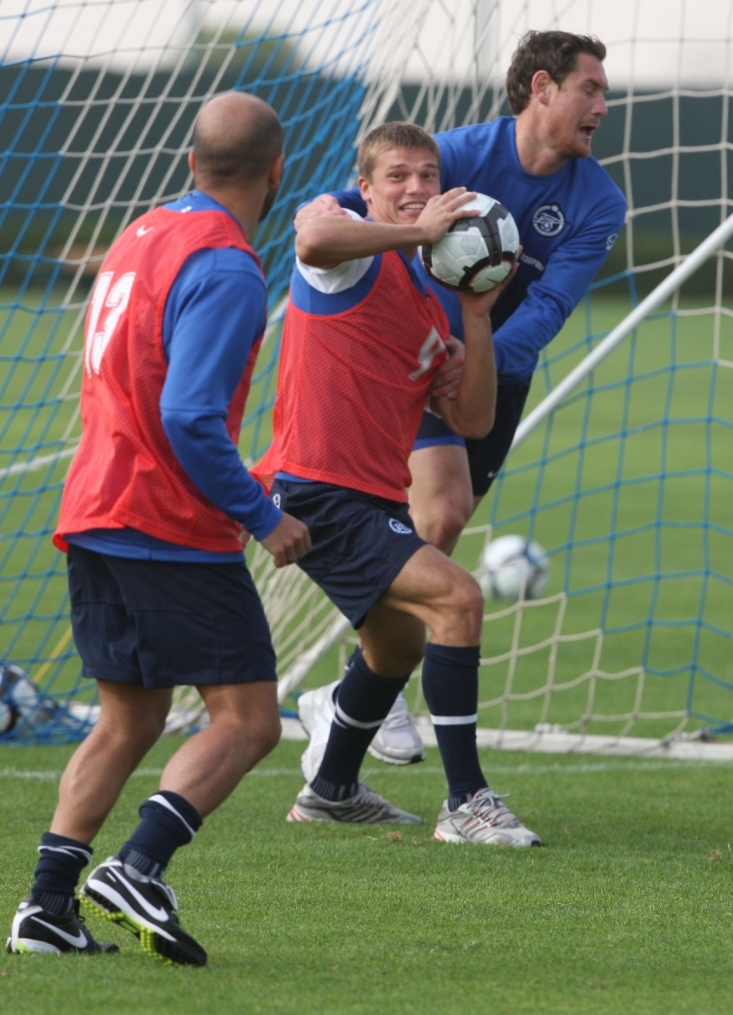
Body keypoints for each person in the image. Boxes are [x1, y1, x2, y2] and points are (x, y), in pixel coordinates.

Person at [6, 92, 310, 966]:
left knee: (127, 720)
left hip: (94, 509)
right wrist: (262, 515)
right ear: (277, 172)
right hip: (166, 523)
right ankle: (139, 866)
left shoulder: (138, 235)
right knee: (250, 721)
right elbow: (186, 415)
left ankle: (45, 907)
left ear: (188, 161)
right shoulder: (227, 264)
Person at [295, 29, 627, 764]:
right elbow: (352, 209)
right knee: (437, 512)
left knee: (441, 527)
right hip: (409, 356)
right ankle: (410, 741)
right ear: (540, 89)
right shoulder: (457, 154)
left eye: (602, 91)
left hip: (486, 373)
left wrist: (472, 360)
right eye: (590, 89)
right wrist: (315, 214)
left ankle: (346, 703)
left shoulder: (598, 201)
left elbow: (548, 309)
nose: (601, 104)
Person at [253, 120, 539, 848]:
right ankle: (466, 801)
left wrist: (473, 318)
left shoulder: (430, 293)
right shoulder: (344, 250)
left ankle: (331, 789)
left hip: (370, 496)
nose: (416, 190)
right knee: (459, 597)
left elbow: (471, 420)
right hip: (319, 489)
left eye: (427, 178)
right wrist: (416, 234)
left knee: (396, 645)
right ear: (367, 187)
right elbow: (313, 242)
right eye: (398, 178)